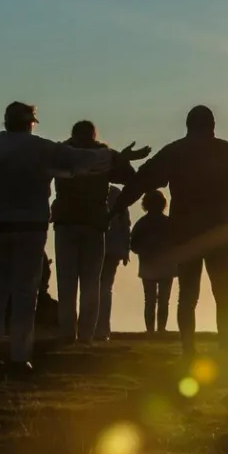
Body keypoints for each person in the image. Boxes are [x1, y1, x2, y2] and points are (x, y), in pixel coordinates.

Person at [0, 101, 140, 372]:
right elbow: (80, 160)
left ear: (6, 121)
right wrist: (115, 157)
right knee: (24, 292)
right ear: (31, 123)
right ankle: (19, 356)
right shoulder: (42, 149)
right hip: (30, 227)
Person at [111, 105, 228, 356]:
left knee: (187, 297)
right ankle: (224, 346)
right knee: (223, 294)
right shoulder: (224, 150)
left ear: (188, 126)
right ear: (212, 126)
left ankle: (189, 349)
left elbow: (142, 179)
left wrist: (118, 206)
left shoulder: (175, 152)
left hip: (186, 233)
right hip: (218, 232)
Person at [51, 121, 141, 345]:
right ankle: (86, 335)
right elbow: (130, 177)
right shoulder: (104, 156)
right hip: (94, 222)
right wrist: (121, 157)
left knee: (66, 280)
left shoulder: (60, 153)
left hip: (67, 222)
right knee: (92, 282)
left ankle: (66, 332)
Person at [129, 190, 176, 334]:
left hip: (147, 264)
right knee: (163, 300)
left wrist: (145, 251)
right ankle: (160, 329)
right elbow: (177, 242)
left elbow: (133, 245)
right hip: (167, 266)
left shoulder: (142, 223)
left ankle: (150, 330)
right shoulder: (168, 223)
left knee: (149, 300)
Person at [96, 185, 132, 341]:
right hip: (115, 247)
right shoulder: (117, 193)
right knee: (106, 288)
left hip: (97, 245)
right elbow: (126, 224)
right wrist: (125, 249)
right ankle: (102, 329)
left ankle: (92, 327)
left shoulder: (96, 189)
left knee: (94, 286)